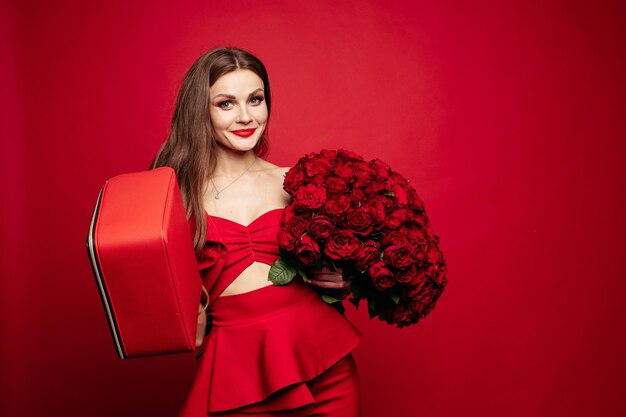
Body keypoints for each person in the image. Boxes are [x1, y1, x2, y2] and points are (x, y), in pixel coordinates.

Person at [151, 47, 363, 417]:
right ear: (200, 111)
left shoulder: (297, 181)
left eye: (255, 99)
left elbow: (342, 266)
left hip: (324, 369)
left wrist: (343, 280)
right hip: (237, 374)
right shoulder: (172, 194)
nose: (246, 116)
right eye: (226, 104)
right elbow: (161, 305)